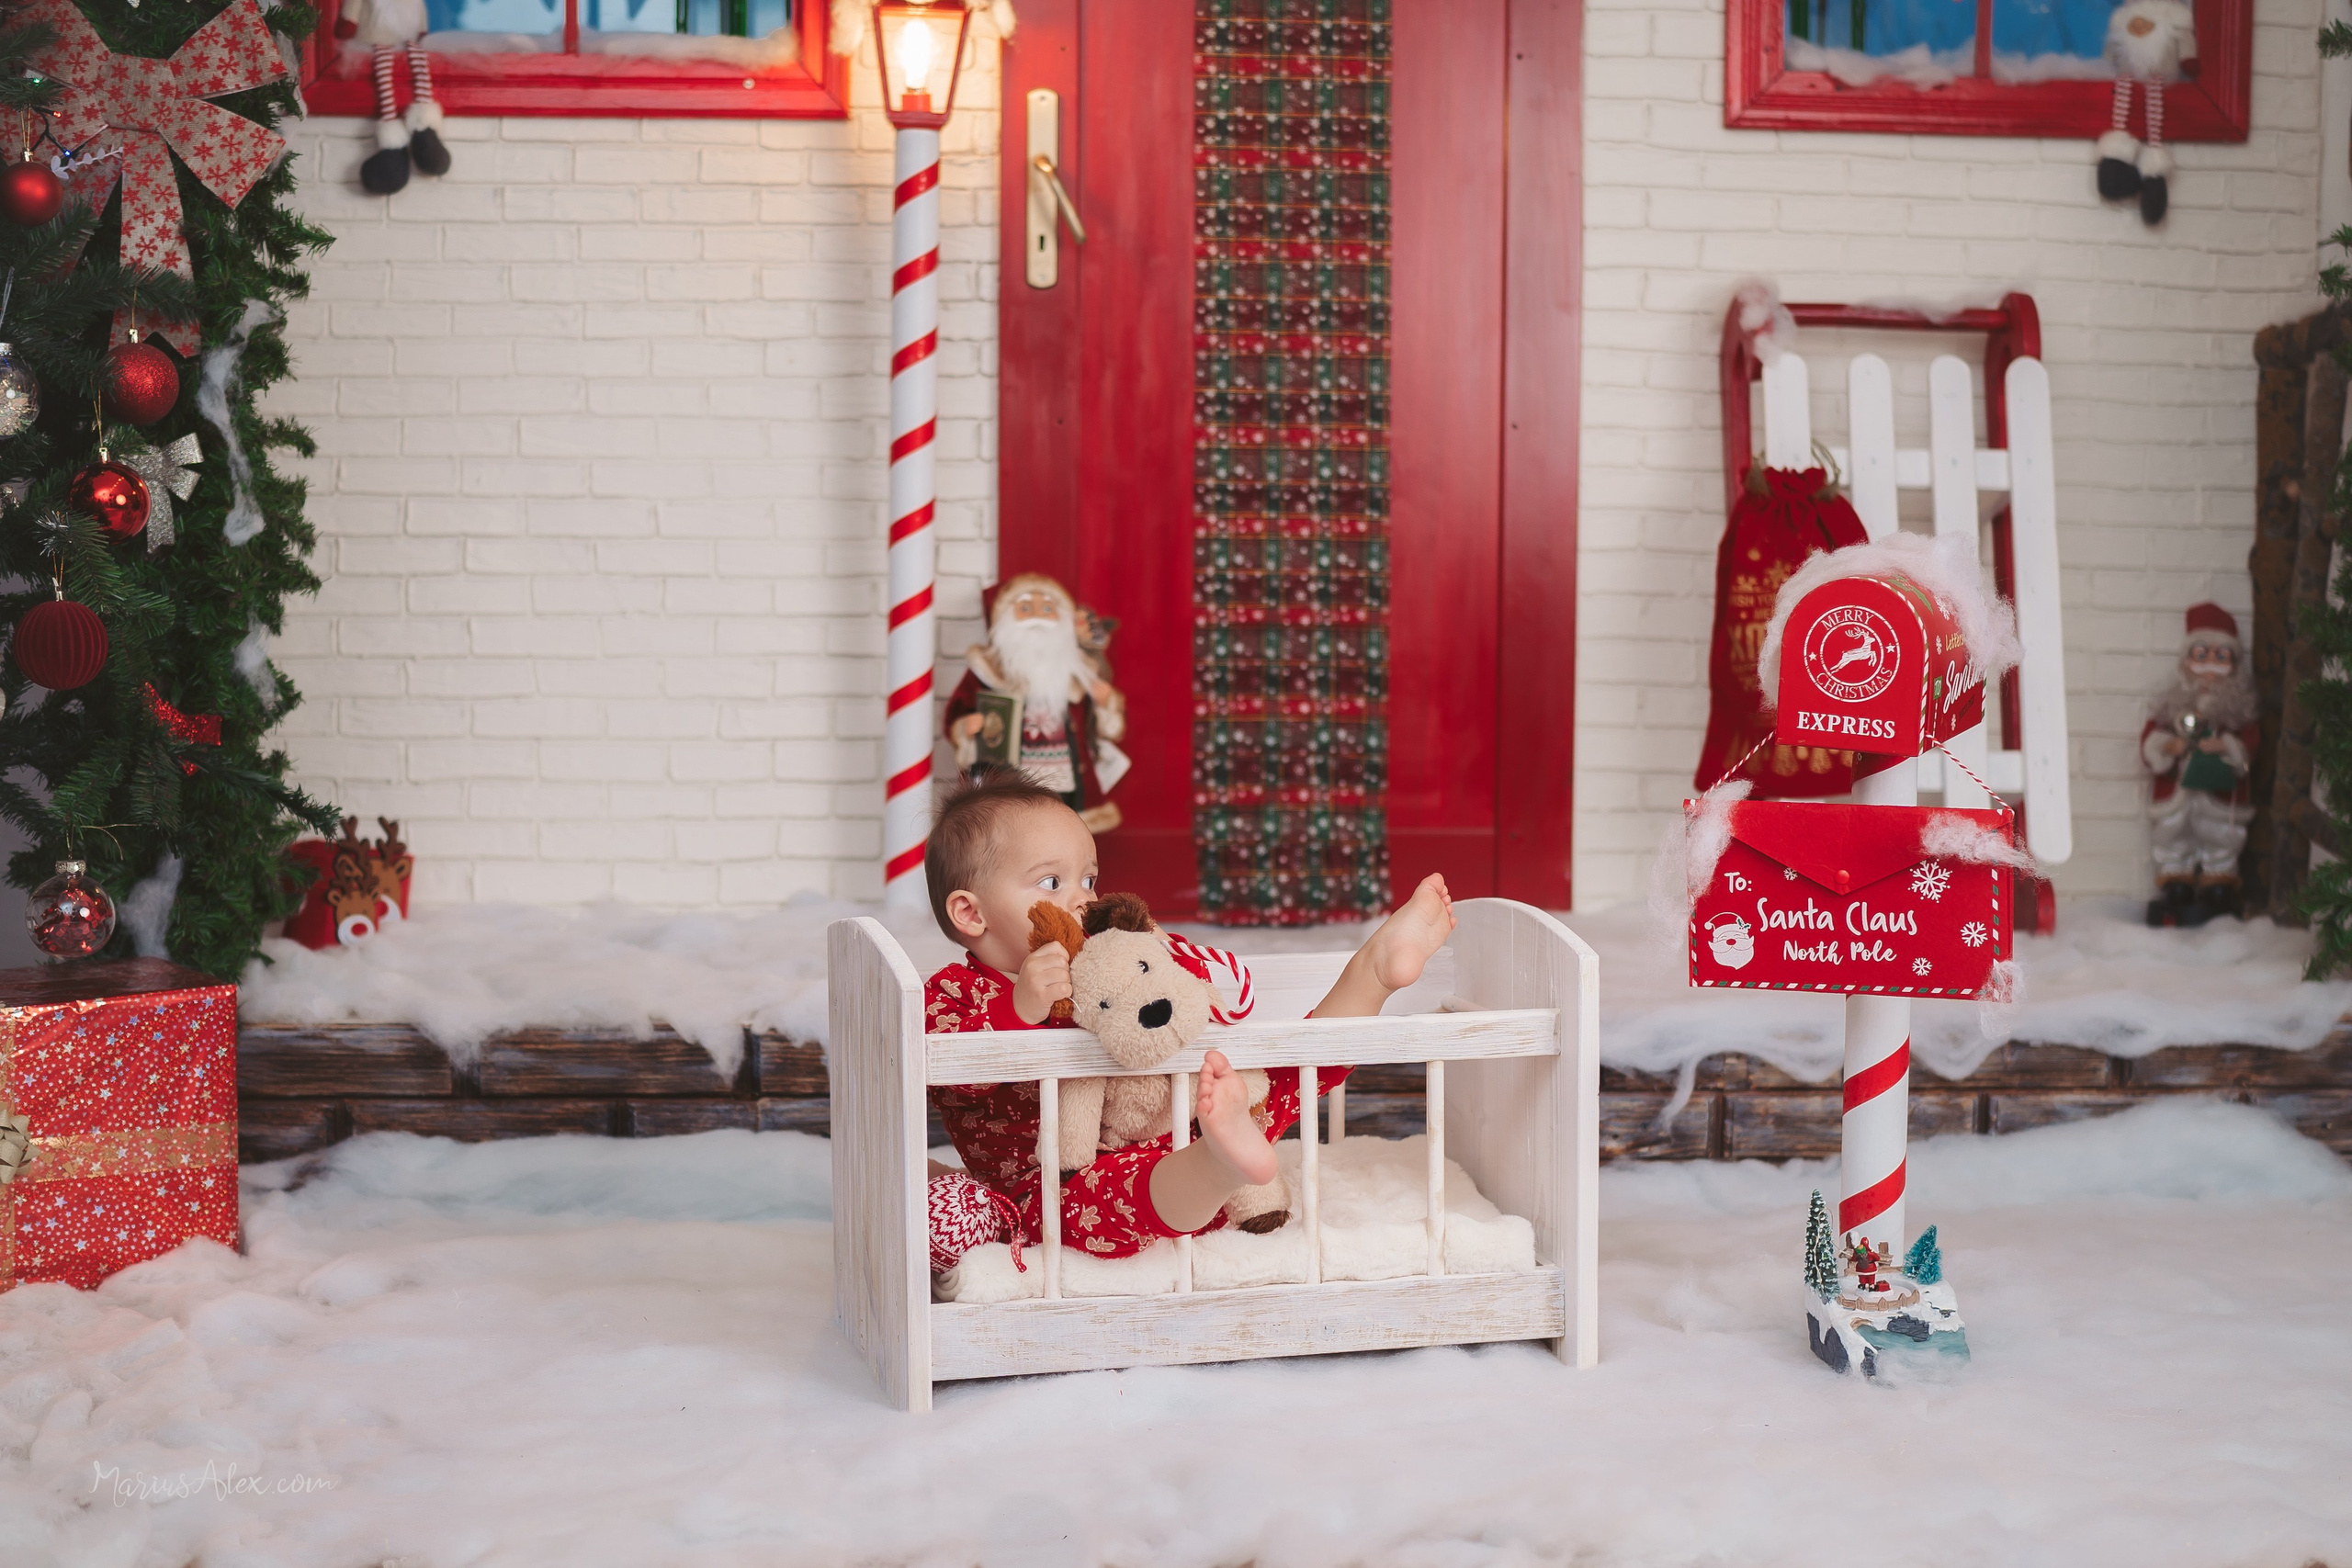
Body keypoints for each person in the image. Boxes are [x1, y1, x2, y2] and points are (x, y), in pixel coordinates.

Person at [919, 769, 1455, 1278]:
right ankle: (1218, 1165)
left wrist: (1152, 947)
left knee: (1278, 1077)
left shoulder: (1104, 964)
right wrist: (1018, 1010)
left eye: (1089, 877)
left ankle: (1374, 973)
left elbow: (1202, 998)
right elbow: (946, 1065)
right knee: (1093, 1201)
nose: (1083, 898)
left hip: (1173, 1124)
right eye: (1052, 881)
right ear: (970, 913)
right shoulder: (954, 993)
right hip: (1057, 1187)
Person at [944, 574, 1129, 833]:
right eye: (1026, 608)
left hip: (1066, 776)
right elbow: (958, 712)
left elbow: (1100, 730)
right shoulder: (988, 670)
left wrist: (1105, 704)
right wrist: (965, 727)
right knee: (1018, 835)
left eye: (1048, 608)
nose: (1038, 616)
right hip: (1012, 781)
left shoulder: (1077, 674)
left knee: (1065, 834)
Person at [2141, 602, 2258, 926]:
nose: (2210, 668)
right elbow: (2150, 741)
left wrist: (2227, 745)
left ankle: (2219, 881)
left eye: (2221, 658)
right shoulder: (2172, 706)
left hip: (2219, 797)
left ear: (2234, 665)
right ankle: (2175, 879)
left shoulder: (2237, 712)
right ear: (2187, 661)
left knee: (2221, 835)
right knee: (2172, 832)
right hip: (2177, 795)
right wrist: (2168, 745)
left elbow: (2249, 745)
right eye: (2202, 655)